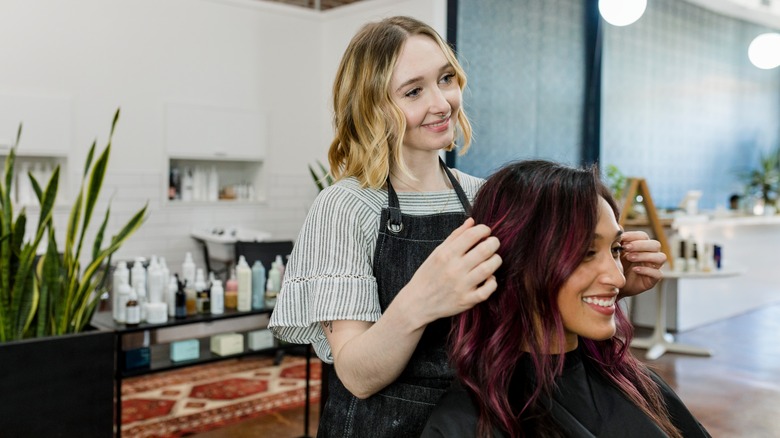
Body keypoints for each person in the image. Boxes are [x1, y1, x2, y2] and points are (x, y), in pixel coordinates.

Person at [268, 16, 666, 437]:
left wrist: (612, 281)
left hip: (482, 419)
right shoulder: (345, 207)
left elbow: (527, 307)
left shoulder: (484, 197)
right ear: (371, 105)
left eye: (446, 79)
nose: (441, 102)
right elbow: (357, 376)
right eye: (414, 91)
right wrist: (420, 301)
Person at [421, 160, 709, 438]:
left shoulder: (632, 382)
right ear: (517, 261)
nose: (619, 278)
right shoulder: (464, 423)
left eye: (616, 249)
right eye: (586, 252)